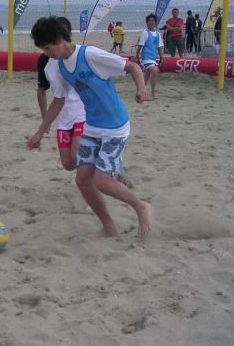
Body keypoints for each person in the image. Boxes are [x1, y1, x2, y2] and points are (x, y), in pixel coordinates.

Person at [27, 16, 153, 238]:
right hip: (92, 128)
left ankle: (141, 206)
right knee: (82, 180)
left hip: (114, 127)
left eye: (47, 48)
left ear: (58, 39)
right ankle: (109, 227)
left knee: (102, 181)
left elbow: (132, 66)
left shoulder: (89, 54)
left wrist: (141, 89)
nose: (47, 54)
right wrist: (41, 130)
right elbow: (59, 99)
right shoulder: (61, 67)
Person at [36, 17, 85, 171]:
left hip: (82, 114)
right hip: (62, 116)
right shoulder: (45, 61)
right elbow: (41, 90)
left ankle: (99, 173)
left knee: (78, 157)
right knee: (68, 165)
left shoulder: (80, 55)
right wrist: (46, 120)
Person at [135, 14, 164, 99]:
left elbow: (159, 47)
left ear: (155, 22)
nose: (151, 22)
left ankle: (140, 91)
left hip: (153, 58)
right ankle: (153, 93)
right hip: (146, 57)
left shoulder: (158, 34)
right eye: (149, 21)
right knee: (154, 72)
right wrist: (137, 56)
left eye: (153, 21)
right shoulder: (145, 33)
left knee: (147, 75)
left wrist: (161, 57)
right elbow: (140, 45)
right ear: (147, 23)